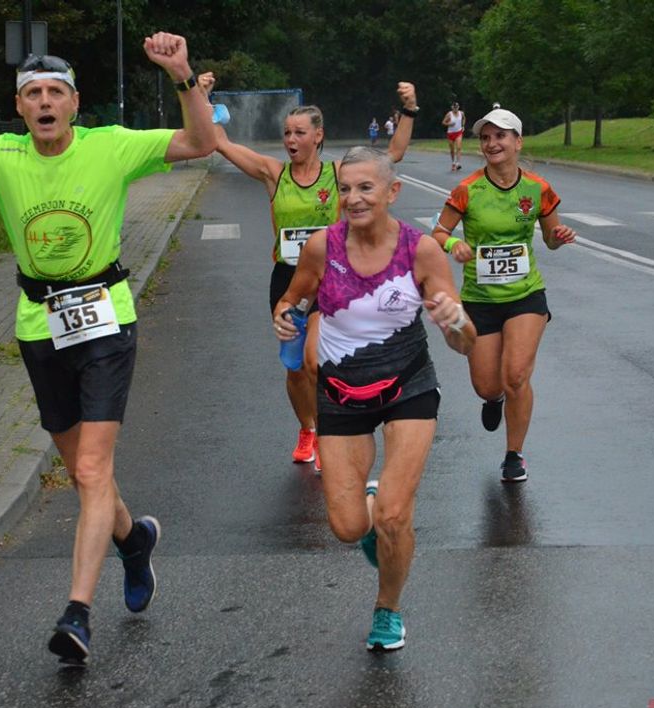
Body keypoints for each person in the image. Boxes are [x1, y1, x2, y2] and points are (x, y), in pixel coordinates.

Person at [0, 33, 215, 665]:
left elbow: (200, 144)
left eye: (54, 93)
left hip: (106, 319)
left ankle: (78, 612)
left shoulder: (111, 146)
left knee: (92, 469)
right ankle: (133, 541)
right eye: (32, 93)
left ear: (73, 104)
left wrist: (180, 73)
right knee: (81, 470)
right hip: (40, 325)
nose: (44, 102)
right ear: (20, 108)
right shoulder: (2, 155)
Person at [273, 146, 475, 651]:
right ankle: (369, 503)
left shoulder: (421, 250)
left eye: (365, 188)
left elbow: (464, 341)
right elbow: (292, 298)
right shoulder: (322, 247)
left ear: (392, 192)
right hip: (341, 392)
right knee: (346, 528)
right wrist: (284, 316)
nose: (353, 199)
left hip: (408, 387)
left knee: (393, 515)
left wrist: (455, 320)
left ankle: (388, 609)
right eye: (344, 189)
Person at [200, 71, 418, 472]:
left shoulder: (338, 175)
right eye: (287, 133)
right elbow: (219, 143)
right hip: (287, 281)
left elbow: (393, 156)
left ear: (318, 136)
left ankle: (334, 429)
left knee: (315, 358)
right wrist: (201, 97)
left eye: (299, 132)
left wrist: (408, 109)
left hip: (331, 279)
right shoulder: (273, 173)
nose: (290, 140)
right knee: (295, 367)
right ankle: (308, 428)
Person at [431, 108, 576, 482]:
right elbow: (438, 233)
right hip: (480, 300)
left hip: (526, 295)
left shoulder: (538, 188)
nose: (493, 144)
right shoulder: (467, 190)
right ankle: (493, 400)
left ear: (517, 142)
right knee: (488, 385)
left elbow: (549, 238)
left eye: (501, 136)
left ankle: (514, 454)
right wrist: (453, 245)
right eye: (486, 138)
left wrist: (558, 239)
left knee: (516, 376)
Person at [442, 102, 465, 171]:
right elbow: (443, 122)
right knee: (452, 150)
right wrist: (449, 124)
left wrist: (463, 126)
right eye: (454, 107)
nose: (456, 109)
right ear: (452, 107)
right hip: (450, 133)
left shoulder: (461, 113)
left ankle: (458, 163)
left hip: (458, 132)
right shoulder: (449, 114)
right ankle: (453, 162)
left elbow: (464, 118)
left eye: (457, 107)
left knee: (458, 147)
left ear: (458, 107)